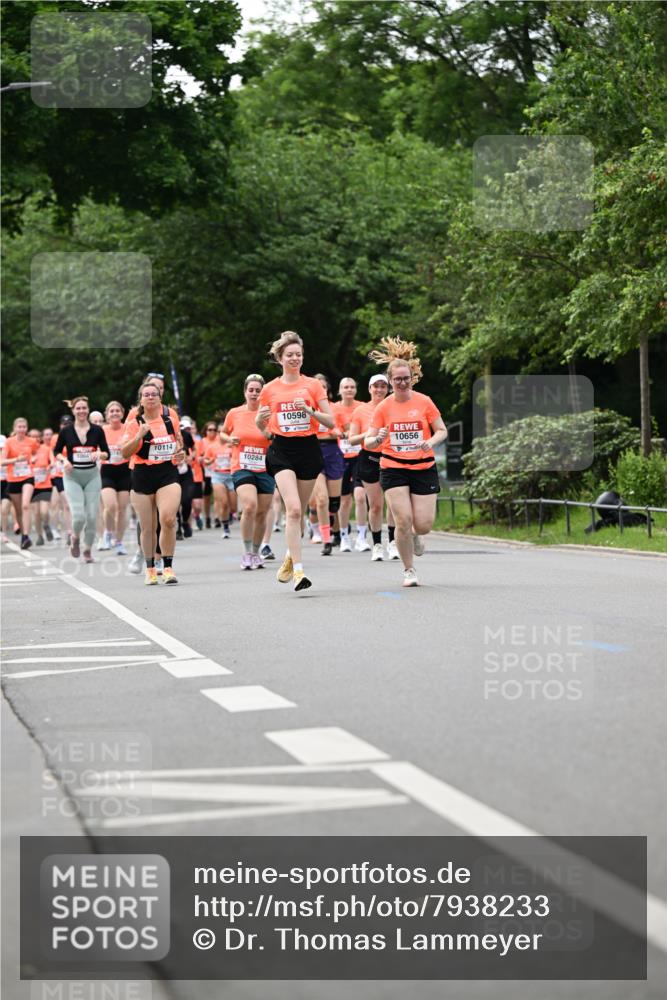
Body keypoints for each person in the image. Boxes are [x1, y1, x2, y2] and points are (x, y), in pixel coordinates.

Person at [365, 338, 447, 587]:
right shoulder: (383, 407)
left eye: (406, 378)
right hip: (393, 467)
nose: (402, 382)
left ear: (412, 377)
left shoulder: (424, 402)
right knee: (402, 520)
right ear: (390, 381)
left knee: (422, 525)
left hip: (423, 466)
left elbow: (441, 430)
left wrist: (430, 443)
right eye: (397, 379)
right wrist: (376, 438)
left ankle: (415, 535)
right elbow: (368, 442)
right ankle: (408, 570)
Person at [256, 331, 334, 591]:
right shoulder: (269, 389)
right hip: (282, 450)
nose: (295, 358)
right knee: (295, 509)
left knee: (298, 511)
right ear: (280, 358)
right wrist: (259, 421)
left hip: (309, 448)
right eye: (289, 355)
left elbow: (331, 421)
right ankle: (299, 573)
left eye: (298, 354)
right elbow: (262, 426)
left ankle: (291, 557)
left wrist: (310, 411)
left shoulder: (313, 385)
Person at [121, 379, 184, 585]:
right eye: (146, 394)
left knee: (168, 519)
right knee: (148, 527)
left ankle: (167, 567)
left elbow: (178, 444)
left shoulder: (170, 421)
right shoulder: (134, 423)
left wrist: (179, 454)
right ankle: (149, 568)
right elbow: (124, 453)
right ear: (140, 399)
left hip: (167, 473)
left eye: (153, 394)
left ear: (160, 398)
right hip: (142, 475)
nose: (150, 397)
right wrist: (138, 436)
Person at [221, 374, 276, 569]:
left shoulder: (269, 414)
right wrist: (229, 440)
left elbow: (277, 437)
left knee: (262, 512)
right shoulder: (235, 413)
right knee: (250, 506)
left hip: (265, 468)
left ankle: (255, 551)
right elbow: (223, 434)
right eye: (250, 390)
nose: (254, 393)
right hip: (241, 467)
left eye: (257, 390)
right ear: (245, 392)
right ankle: (246, 553)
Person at [53, 397, 109, 562]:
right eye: (78, 408)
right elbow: (56, 451)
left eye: (84, 408)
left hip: (92, 476)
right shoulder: (66, 431)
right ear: (73, 411)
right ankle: (75, 537)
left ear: (88, 410)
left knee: (92, 516)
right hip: (73, 477)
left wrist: (100, 454)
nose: (82, 411)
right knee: (78, 516)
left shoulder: (97, 430)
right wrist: (65, 461)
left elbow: (107, 453)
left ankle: (87, 550)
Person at [348, 375, 391, 560]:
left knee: (394, 504)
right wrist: (370, 434)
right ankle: (377, 545)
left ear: (388, 389)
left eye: (383, 386)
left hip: (391, 457)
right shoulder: (361, 410)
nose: (379, 390)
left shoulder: (393, 407)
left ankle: (394, 542)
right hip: (369, 458)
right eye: (376, 386)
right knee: (375, 505)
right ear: (369, 389)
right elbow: (351, 438)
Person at [311, 373, 346, 556]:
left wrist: (338, 432)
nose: (320, 389)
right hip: (314, 452)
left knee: (333, 504)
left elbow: (341, 428)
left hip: (333, 452)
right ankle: (326, 539)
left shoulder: (334, 408)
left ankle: (333, 527)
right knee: (321, 499)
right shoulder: (308, 408)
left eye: (323, 386)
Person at [334, 377, 368, 553]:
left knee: (361, 497)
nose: (349, 389)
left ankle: (362, 536)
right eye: (345, 387)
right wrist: (339, 432)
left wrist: (355, 433)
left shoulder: (362, 407)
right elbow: (328, 427)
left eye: (352, 387)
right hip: (341, 457)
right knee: (345, 500)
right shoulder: (333, 408)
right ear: (340, 390)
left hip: (360, 455)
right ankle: (344, 536)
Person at [0, 417, 39, 549]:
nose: (21, 429)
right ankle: (23, 535)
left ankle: (26, 535)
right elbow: (2, 461)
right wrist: (17, 459)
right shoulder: (9, 442)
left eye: (24, 427)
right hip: (13, 479)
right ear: (15, 428)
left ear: (26, 428)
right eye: (19, 427)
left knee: (25, 505)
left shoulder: (32, 441)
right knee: (18, 511)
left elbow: (35, 453)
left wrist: (33, 458)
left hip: (28, 476)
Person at [100, 401, 131, 554]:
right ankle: (107, 532)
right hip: (107, 470)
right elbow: (94, 447)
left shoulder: (128, 428)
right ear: (107, 414)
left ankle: (119, 542)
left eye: (117, 411)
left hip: (125, 470)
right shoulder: (102, 430)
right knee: (110, 506)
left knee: (122, 509)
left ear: (122, 413)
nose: (114, 413)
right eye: (111, 411)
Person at [203, 422, 234, 538]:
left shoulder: (232, 445)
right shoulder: (212, 446)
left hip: (231, 476)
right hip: (218, 475)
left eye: (224, 432)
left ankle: (230, 515)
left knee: (234, 506)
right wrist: (209, 461)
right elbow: (205, 460)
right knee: (224, 502)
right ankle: (225, 527)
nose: (221, 434)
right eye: (219, 432)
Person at [29, 428, 55, 544]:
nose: (34, 439)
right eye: (32, 436)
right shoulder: (27, 450)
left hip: (45, 484)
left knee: (44, 511)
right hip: (31, 485)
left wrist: (50, 466)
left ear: (40, 438)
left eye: (37, 436)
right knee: (36, 513)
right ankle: (40, 536)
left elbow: (53, 461)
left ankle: (46, 524)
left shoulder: (46, 449)